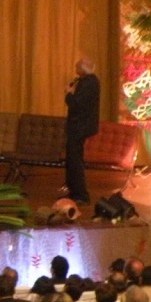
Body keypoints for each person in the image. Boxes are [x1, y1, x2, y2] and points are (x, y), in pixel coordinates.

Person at [63, 57, 100, 205]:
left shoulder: (89, 83)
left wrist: (69, 94)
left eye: (77, 67)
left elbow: (77, 104)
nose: (75, 70)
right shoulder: (88, 81)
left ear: (83, 69)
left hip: (80, 127)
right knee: (72, 160)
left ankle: (81, 195)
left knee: (75, 161)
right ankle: (74, 192)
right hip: (78, 126)